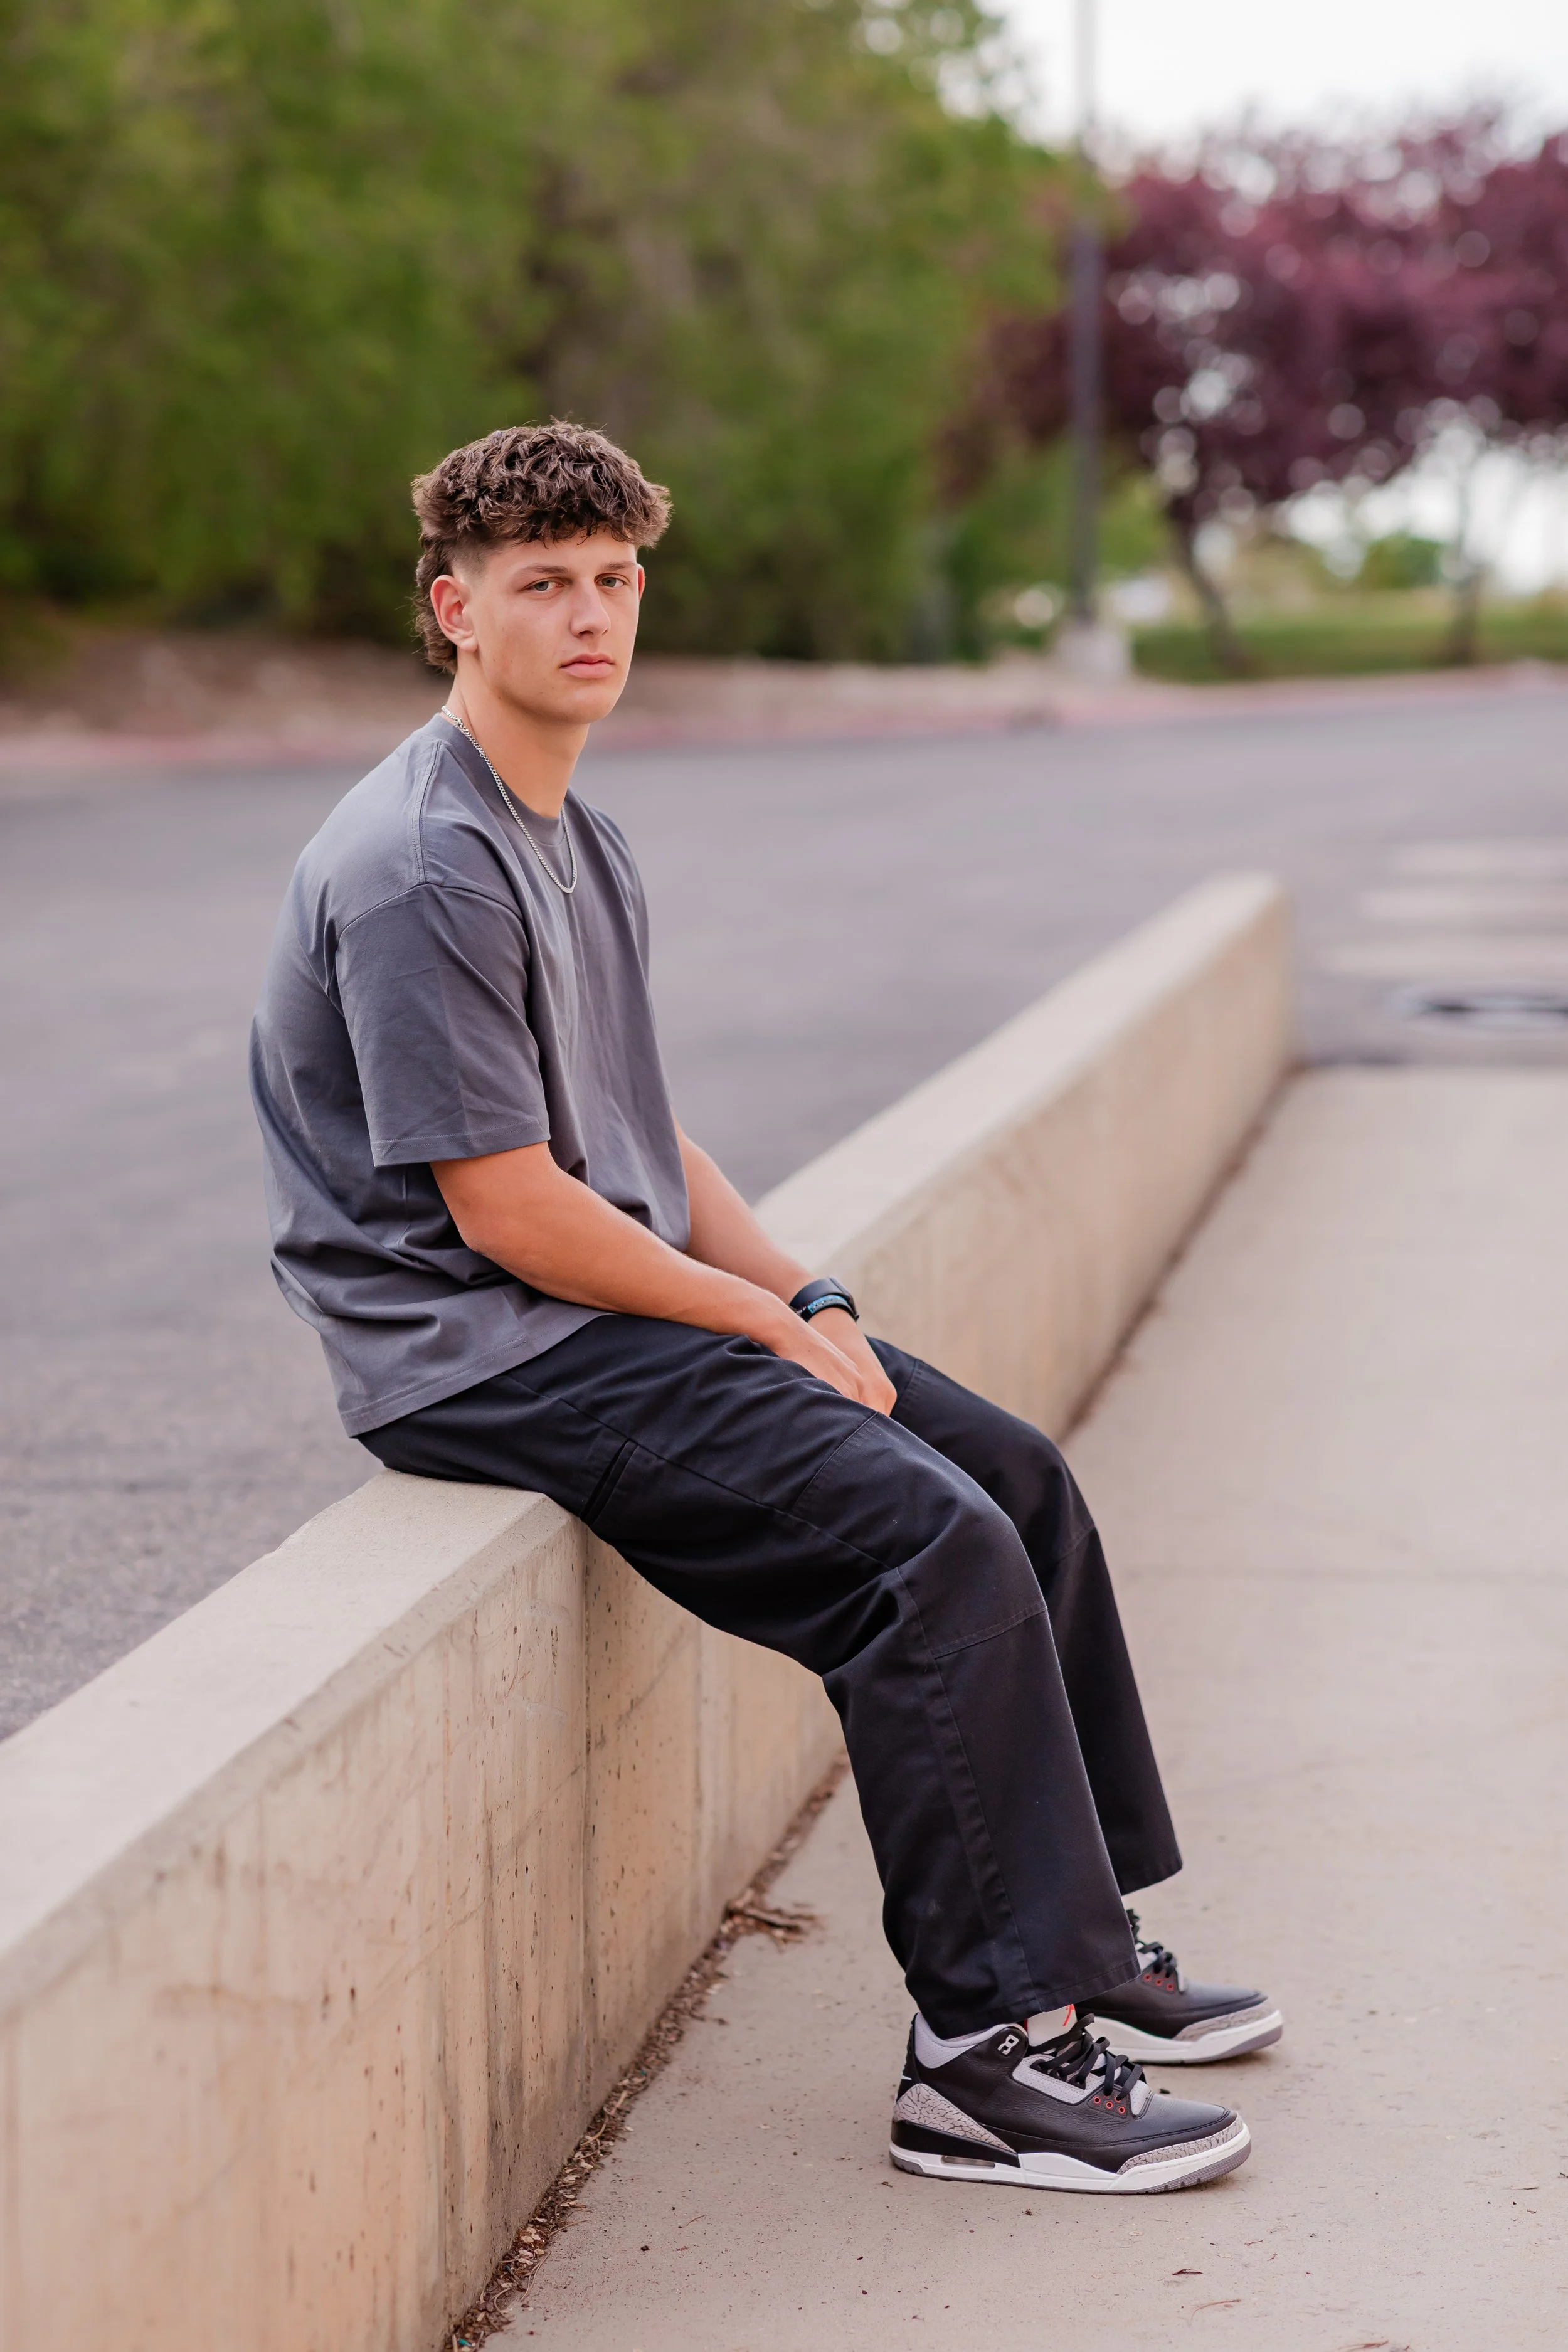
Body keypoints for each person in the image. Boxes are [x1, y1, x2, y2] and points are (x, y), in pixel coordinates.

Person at [250, 421, 1281, 2196]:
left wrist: (805, 1291)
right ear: (454, 609)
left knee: (1010, 1478)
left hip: (600, 1309)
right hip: (485, 1348)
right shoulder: (422, 862)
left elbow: (637, 1137)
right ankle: (983, 2056)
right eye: (544, 584)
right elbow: (508, 1208)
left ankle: (1074, 1941)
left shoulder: (570, 830)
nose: (591, 617)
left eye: (615, 580)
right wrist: (750, 1330)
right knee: (925, 1551)